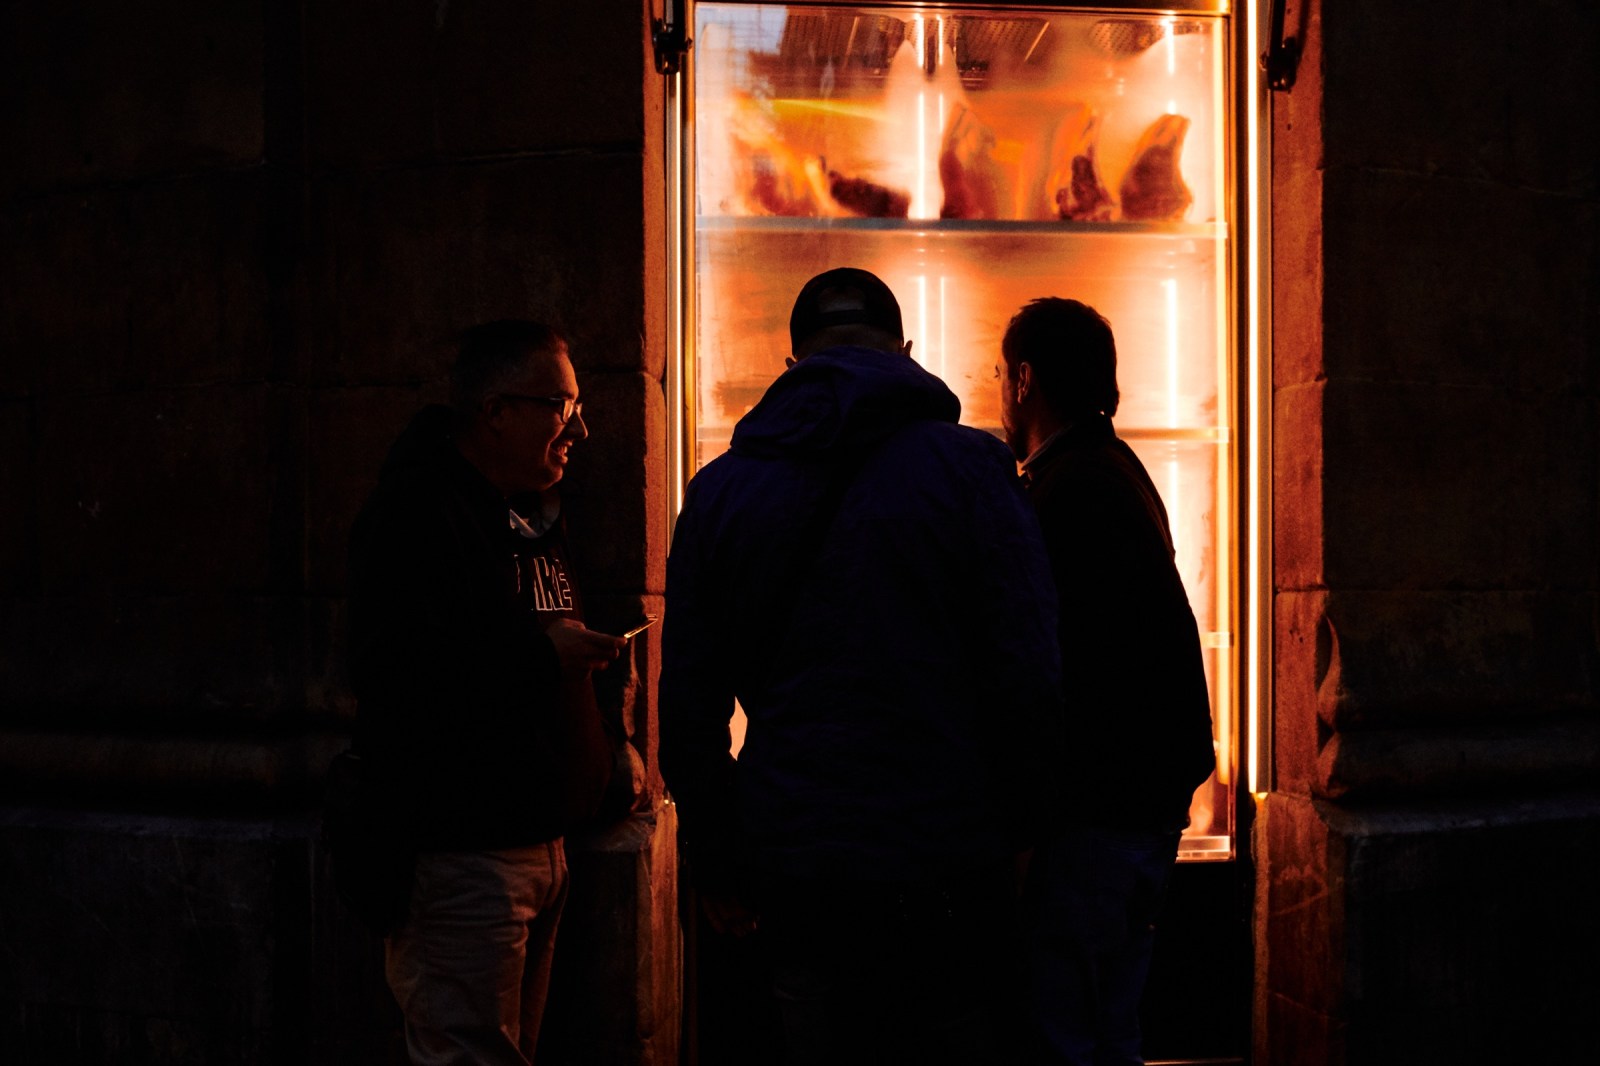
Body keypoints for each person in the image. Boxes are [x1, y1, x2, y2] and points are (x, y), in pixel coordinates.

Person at [659, 267, 1063, 1066]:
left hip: (795, 853)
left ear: (791, 367)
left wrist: (718, 854)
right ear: (906, 352)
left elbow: (690, 704)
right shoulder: (974, 471)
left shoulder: (720, 492)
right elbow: (1029, 668)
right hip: (948, 850)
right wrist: (1023, 833)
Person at [347, 319, 628, 1066]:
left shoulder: (532, 508)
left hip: (539, 846)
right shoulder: (415, 518)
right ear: (496, 410)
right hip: (463, 859)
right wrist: (544, 660)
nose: (580, 429)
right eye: (560, 408)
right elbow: (400, 680)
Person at [998, 298, 1217, 1065]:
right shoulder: (1118, 474)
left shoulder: (1064, 491)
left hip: (1091, 817)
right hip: (1142, 808)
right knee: (1110, 1023)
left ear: (1023, 379)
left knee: (1065, 1030)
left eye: (1002, 374)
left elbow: (1045, 669)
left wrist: (1024, 820)